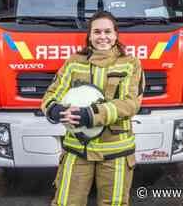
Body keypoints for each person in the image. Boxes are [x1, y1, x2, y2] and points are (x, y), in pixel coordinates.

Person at [41, 11, 145, 206]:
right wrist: (56, 110)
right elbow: (50, 95)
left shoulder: (131, 64)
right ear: (89, 35)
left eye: (107, 31)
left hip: (116, 152)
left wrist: (90, 115)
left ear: (116, 35)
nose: (102, 37)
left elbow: (131, 103)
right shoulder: (73, 63)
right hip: (77, 150)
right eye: (97, 32)